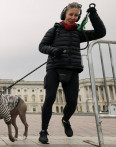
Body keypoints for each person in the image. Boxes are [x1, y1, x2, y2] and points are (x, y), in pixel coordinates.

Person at [38, 2, 106, 144]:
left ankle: (65, 120)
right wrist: (53, 50)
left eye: (76, 15)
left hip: (72, 69)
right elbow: (42, 46)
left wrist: (93, 15)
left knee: (72, 102)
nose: (73, 17)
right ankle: (44, 131)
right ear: (64, 14)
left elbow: (100, 33)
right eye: (71, 14)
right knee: (50, 98)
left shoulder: (79, 33)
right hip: (54, 68)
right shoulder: (54, 30)